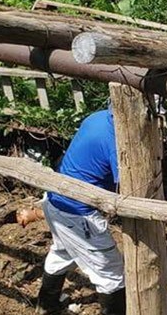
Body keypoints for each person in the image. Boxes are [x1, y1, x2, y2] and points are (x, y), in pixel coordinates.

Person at [36, 107, 125, 315]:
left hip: (55, 199)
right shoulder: (117, 141)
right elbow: (128, 189)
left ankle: (46, 305)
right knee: (110, 272)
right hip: (78, 213)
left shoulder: (98, 118)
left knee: (62, 252)